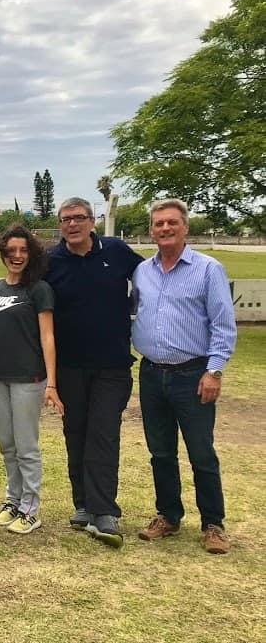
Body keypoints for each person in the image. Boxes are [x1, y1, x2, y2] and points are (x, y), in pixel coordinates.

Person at [132, 198, 236, 554]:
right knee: (160, 452)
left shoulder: (208, 269)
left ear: (185, 227)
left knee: (201, 452)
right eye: (158, 223)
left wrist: (214, 371)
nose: (165, 228)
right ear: (151, 231)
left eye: (171, 222)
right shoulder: (142, 271)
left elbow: (223, 324)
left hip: (193, 374)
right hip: (151, 373)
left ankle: (213, 523)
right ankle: (168, 516)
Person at [45, 197, 143, 547]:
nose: (72, 224)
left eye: (79, 218)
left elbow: (151, 279)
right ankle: (83, 504)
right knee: (76, 433)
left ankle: (105, 512)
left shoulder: (116, 251)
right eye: (65, 219)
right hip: (69, 367)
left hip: (112, 366)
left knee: (103, 433)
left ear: (92, 221)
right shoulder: (50, 261)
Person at [0, 225, 63, 535]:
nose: (17, 256)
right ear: (3, 253)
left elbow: (47, 337)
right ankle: (13, 501)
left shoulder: (39, 289)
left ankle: (30, 508)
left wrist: (51, 383)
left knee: (26, 446)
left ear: (31, 254)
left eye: (23, 250)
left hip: (29, 378)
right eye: (11, 250)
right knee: (7, 444)